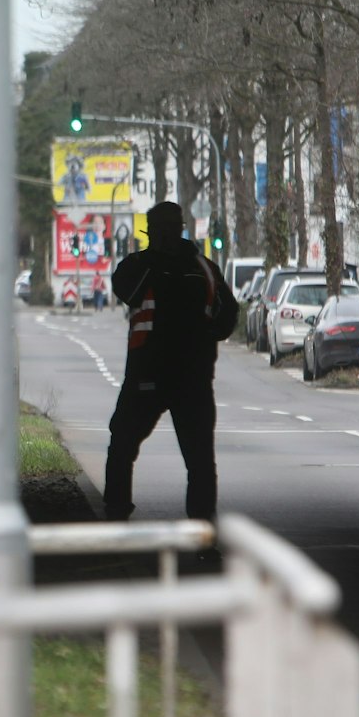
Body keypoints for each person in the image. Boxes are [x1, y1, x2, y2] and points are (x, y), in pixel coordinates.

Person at [103, 201, 240, 522]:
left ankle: (116, 517)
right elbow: (226, 319)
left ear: (152, 231)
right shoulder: (204, 269)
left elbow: (125, 288)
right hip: (193, 380)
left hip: (145, 376)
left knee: (122, 445)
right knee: (200, 461)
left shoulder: (140, 266)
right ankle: (203, 532)